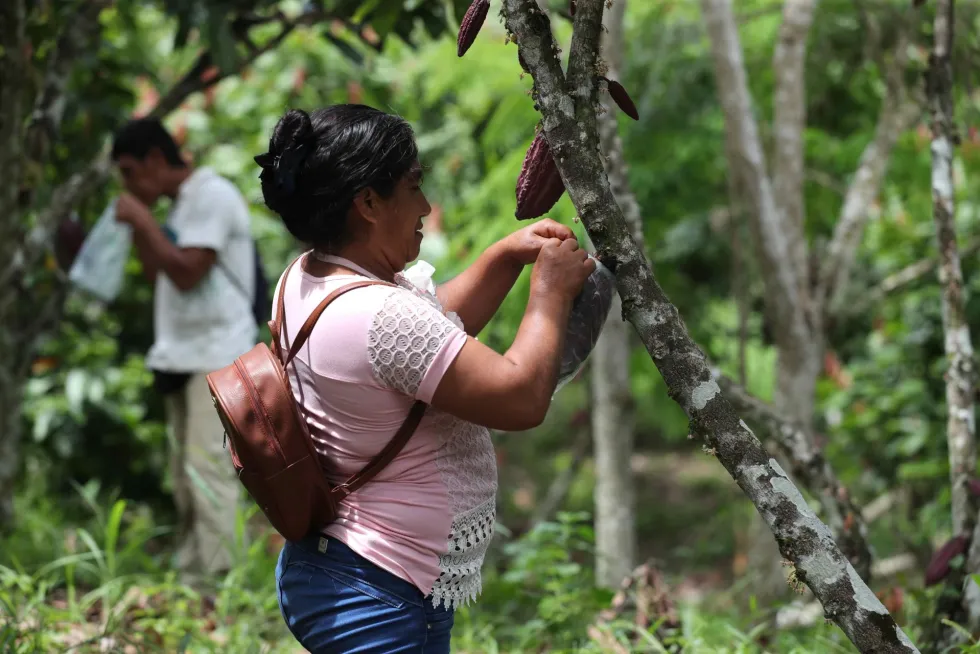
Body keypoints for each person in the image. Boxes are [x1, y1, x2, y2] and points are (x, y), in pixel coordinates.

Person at [258, 104, 595, 653]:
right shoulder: (379, 315)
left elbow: (425, 342)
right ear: (367, 202)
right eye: (413, 187)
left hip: (337, 568)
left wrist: (504, 258)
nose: (426, 206)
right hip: (378, 595)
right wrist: (550, 293)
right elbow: (520, 398)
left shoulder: (310, 276)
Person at [110, 118, 258, 584]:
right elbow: (159, 274)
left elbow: (188, 271)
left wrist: (141, 219)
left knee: (207, 469)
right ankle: (195, 577)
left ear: (157, 159)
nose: (128, 185)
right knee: (183, 473)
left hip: (217, 354)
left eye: (131, 171)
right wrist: (142, 228)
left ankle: (220, 583)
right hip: (183, 354)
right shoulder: (178, 208)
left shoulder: (211, 195)